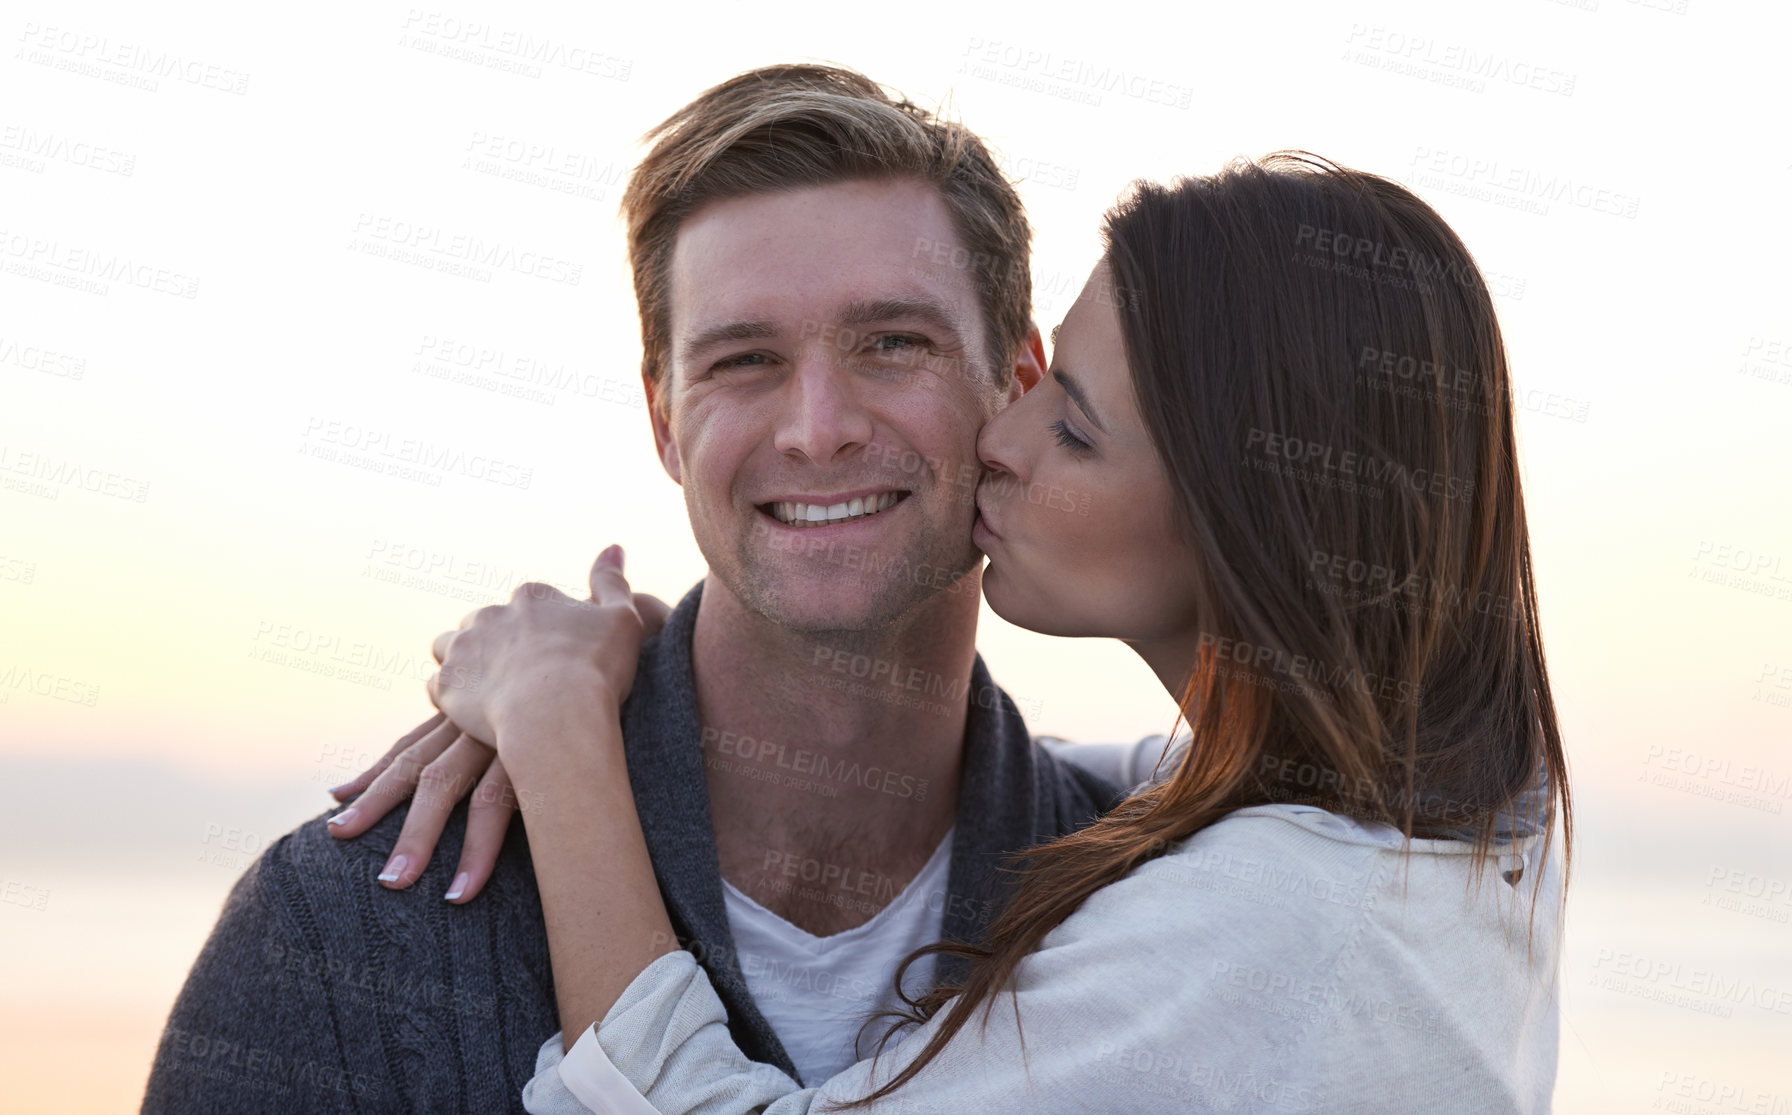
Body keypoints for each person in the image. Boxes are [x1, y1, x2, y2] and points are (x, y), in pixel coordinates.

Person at [411, 155, 1571, 1113]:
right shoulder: (1465, 826)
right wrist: (680, 694)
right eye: (747, 359)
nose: (1003, 438)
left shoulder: (1269, 923)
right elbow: (1191, 789)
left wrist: (558, 727)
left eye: (1071, 424)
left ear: (1247, 515)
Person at [140, 64, 1145, 1112]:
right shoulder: (347, 934)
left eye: (892, 343)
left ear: (1019, 385)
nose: (817, 426)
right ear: (664, 420)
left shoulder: (1160, 901)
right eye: (745, 359)